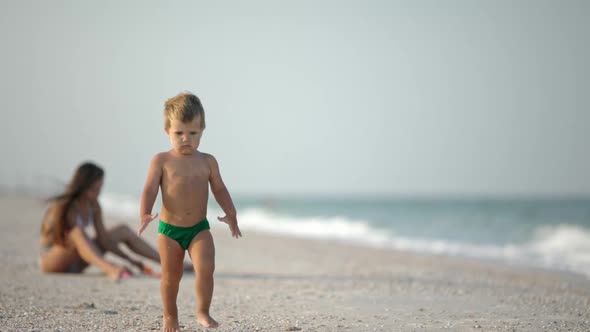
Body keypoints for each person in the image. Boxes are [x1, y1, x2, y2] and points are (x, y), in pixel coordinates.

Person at [138, 91, 242, 331]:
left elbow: (220, 189)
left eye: (193, 133)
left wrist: (231, 214)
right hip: (169, 231)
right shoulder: (161, 160)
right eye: (179, 133)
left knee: (206, 269)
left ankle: (203, 312)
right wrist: (145, 212)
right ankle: (170, 317)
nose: (186, 139)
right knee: (171, 277)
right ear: (167, 131)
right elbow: (150, 188)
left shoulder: (207, 161)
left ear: (202, 130)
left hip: (199, 229)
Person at [39, 162, 165, 280]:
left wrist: (130, 260)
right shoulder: (64, 207)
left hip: (77, 263)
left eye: (100, 188)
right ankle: (111, 269)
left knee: (122, 230)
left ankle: (168, 263)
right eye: (95, 189)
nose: (99, 192)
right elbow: (55, 241)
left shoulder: (94, 205)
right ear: (84, 186)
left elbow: (104, 241)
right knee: (77, 233)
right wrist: (111, 264)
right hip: (53, 262)